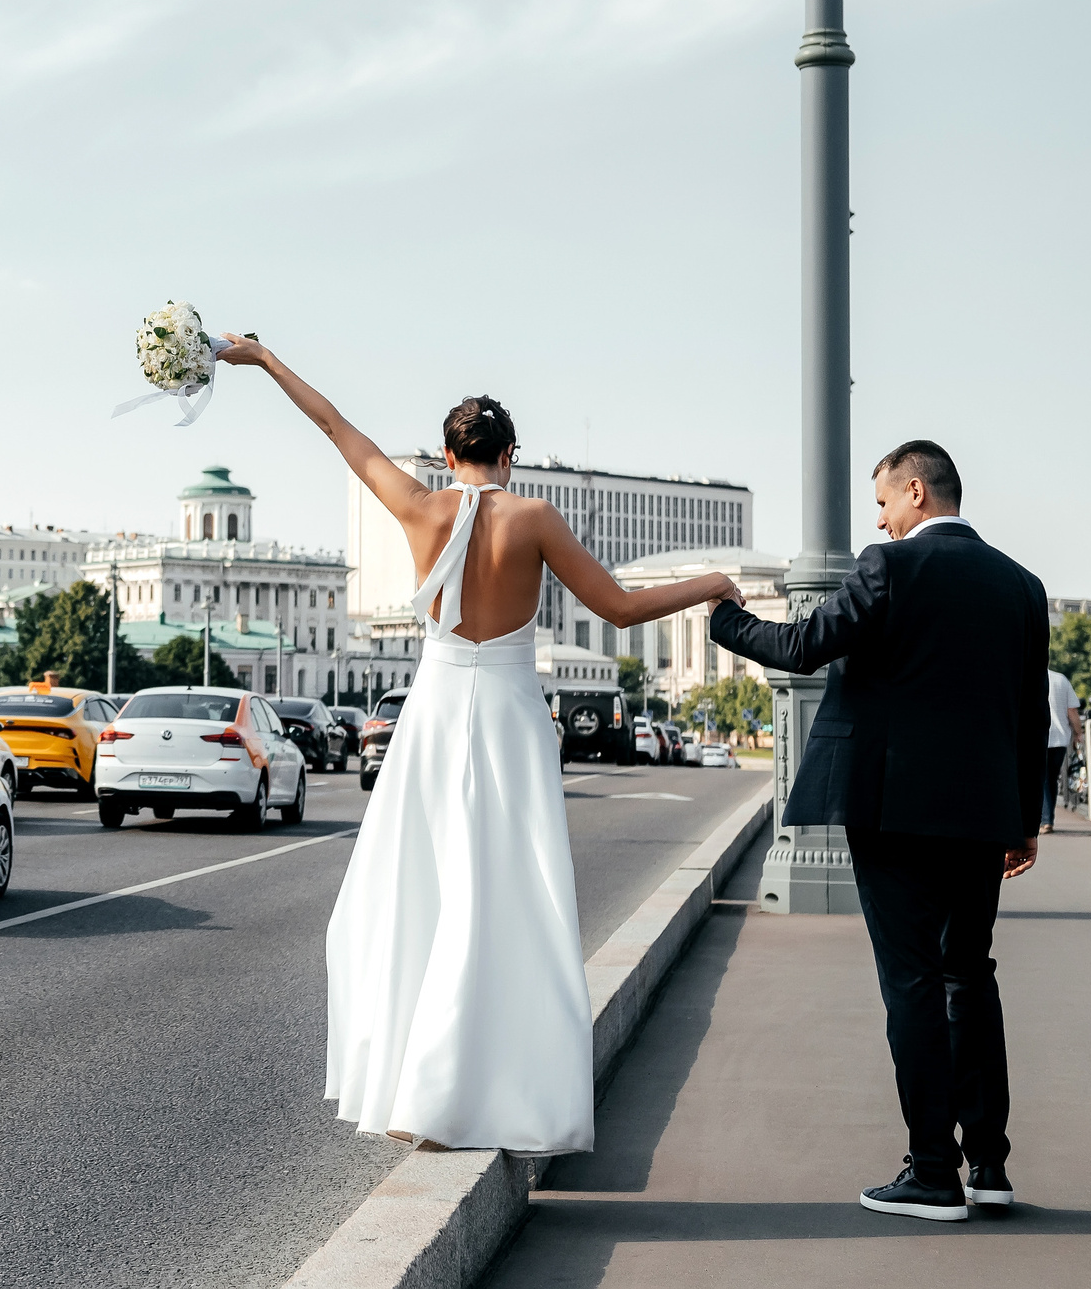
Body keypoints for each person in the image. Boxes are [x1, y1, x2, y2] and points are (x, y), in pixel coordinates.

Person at [218, 340, 741, 1154]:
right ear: (507, 456)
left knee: (418, 892)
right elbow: (622, 610)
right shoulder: (531, 517)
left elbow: (335, 427)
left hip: (430, 712)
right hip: (505, 713)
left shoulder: (419, 508)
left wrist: (261, 358)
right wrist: (711, 583)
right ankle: (485, 1087)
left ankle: (410, 1087)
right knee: (503, 899)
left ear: (449, 454)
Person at [710, 440, 1047, 1223]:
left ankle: (933, 1173)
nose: (881, 518)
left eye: (886, 501)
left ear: (918, 492)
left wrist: (724, 617)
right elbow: (1028, 711)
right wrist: (1022, 821)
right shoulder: (1021, 586)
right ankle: (989, 1165)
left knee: (913, 982)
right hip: (981, 813)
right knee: (970, 974)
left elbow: (800, 648)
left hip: (891, 809)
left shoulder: (887, 568)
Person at [1040, 669, 1080, 833]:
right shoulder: (1061, 679)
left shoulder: (1028, 676)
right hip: (1059, 739)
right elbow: (1072, 711)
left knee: (1041, 779)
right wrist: (1078, 733)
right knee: (1051, 779)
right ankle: (1049, 818)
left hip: (1038, 738)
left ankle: (1046, 820)